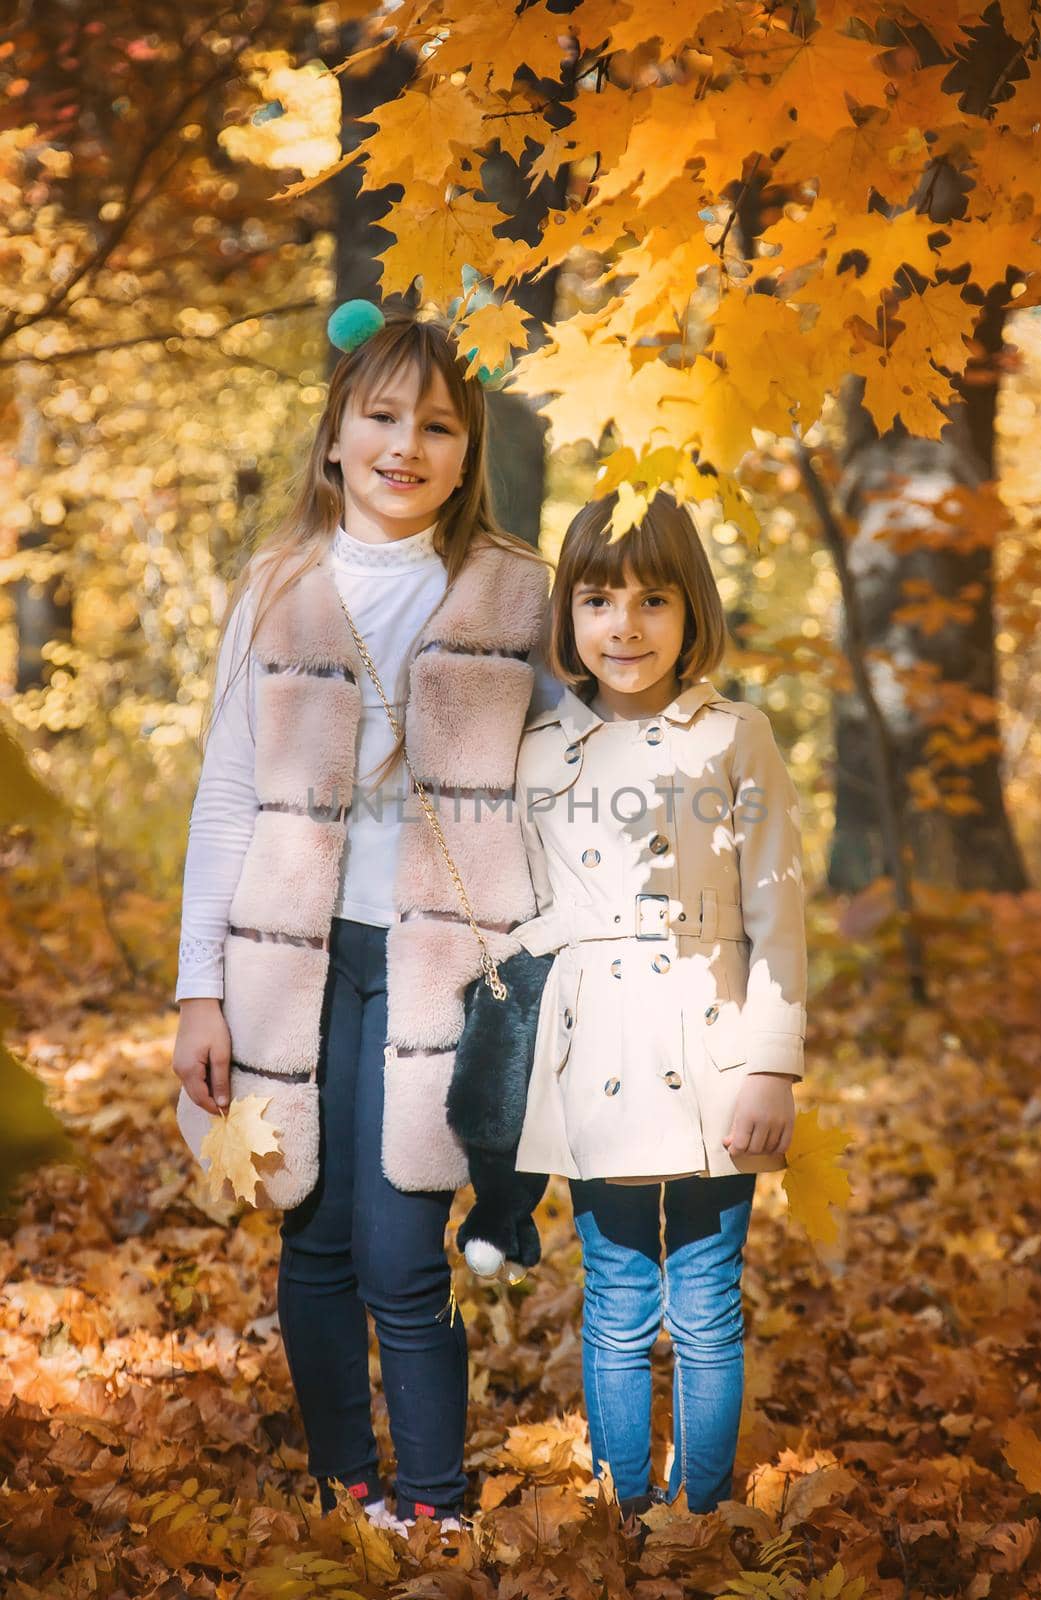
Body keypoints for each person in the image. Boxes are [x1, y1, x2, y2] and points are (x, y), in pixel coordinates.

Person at [170, 306, 549, 1528]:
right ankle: (350, 1493)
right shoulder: (276, 588)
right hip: (292, 962)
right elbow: (228, 792)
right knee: (315, 1241)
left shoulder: (515, 595)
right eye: (381, 416)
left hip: (440, 964)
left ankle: (433, 1505)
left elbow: (570, 778)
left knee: (401, 1253)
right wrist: (198, 989)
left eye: (436, 425)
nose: (406, 443)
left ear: (465, 449)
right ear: (334, 432)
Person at [510, 489, 807, 1517]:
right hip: (596, 1046)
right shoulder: (541, 751)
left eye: (652, 599)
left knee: (708, 1305)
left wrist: (770, 1060)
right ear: (568, 616)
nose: (624, 625)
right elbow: (536, 911)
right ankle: (624, 1511)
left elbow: (776, 908)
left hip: (716, 1039)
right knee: (618, 1300)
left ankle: (702, 1512)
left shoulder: (735, 737)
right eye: (597, 600)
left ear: (691, 614)